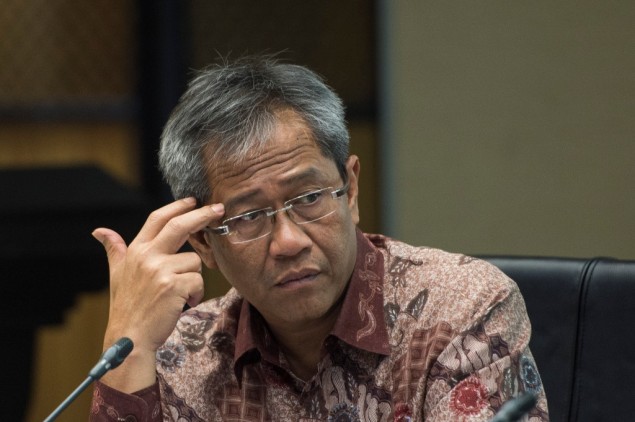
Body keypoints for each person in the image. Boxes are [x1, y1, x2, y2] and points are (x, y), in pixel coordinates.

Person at [89, 56, 549, 421]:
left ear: (351, 190)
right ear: (205, 243)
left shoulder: (462, 310)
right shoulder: (179, 353)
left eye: (309, 198)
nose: (289, 242)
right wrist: (129, 345)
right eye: (249, 216)